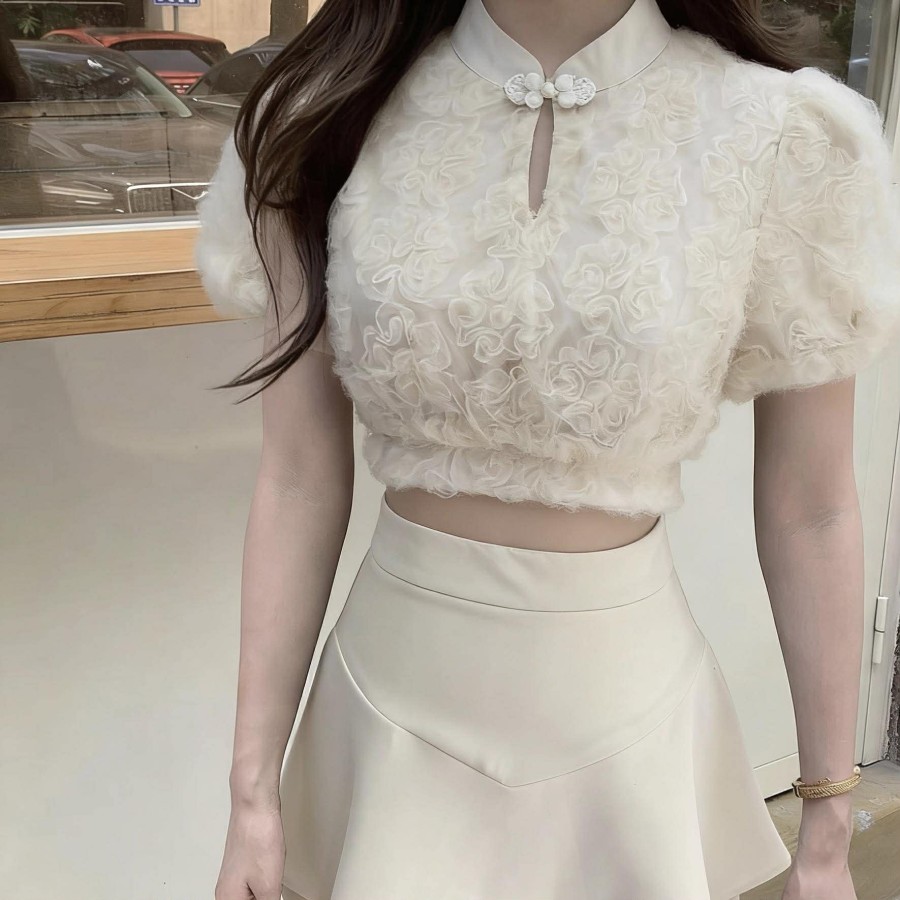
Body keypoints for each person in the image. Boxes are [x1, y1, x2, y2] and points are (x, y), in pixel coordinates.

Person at [195, 0, 900, 898]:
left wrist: (828, 825)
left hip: (632, 733)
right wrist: (251, 792)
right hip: (384, 718)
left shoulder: (778, 134)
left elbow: (815, 508)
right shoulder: (324, 116)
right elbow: (298, 479)